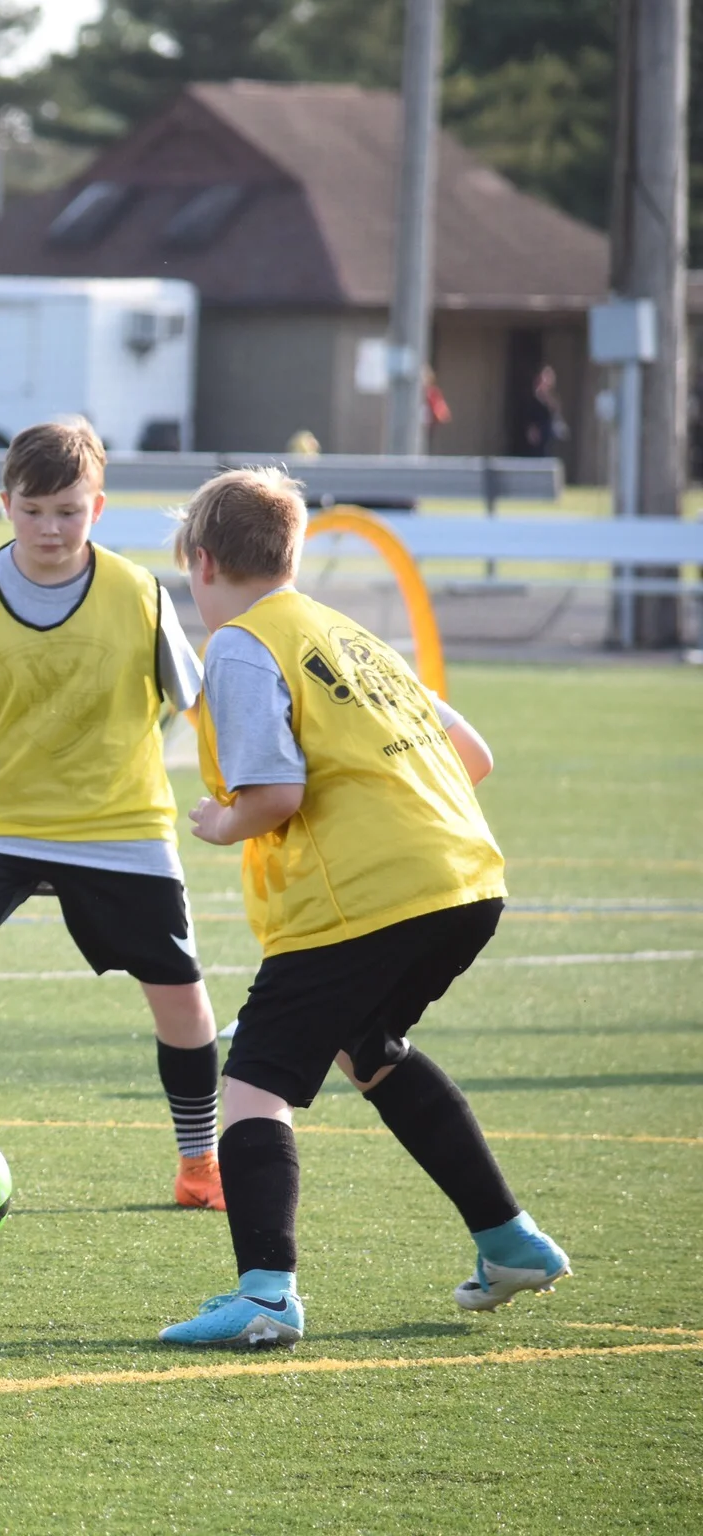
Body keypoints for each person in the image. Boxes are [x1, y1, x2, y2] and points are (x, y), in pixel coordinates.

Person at [159, 468, 567, 1347]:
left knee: (254, 1085)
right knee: (368, 1049)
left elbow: (272, 792)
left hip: (364, 902)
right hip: (463, 882)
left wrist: (222, 822)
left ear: (200, 562)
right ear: (292, 553)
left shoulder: (238, 641)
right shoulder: (349, 632)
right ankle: (510, 1239)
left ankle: (266, 1296)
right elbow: (475, 753)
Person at [0, 419, 225, 1213]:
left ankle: (201, 1162)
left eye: (68, 510)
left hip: (121, 823)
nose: (50, 528)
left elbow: (200, 706)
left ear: (98, 507)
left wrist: (236, 791)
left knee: (181, 994)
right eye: (33, 511)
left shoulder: (138, 593)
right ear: (4, 505)